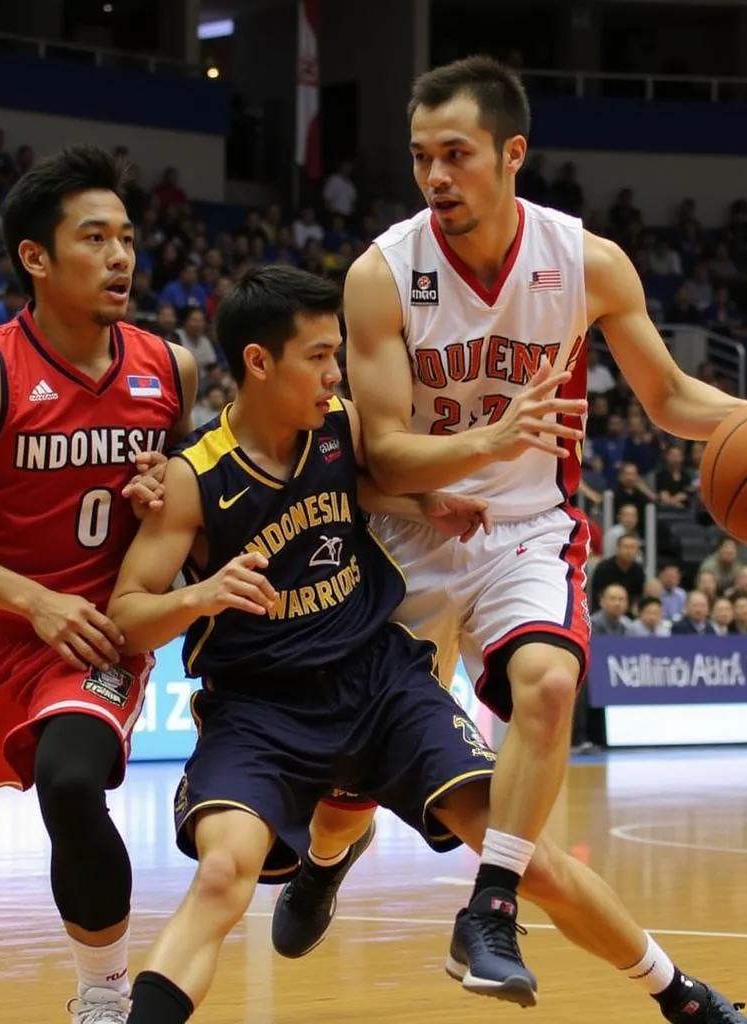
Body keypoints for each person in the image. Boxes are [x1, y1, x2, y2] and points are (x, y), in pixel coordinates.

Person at [273, 55, 747, 1020]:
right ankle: (331, 852)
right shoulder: (381, 274)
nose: (437, 177)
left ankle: (490, 905)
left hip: (529, 528)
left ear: (512, 153)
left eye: (457, 155)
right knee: (341, 795)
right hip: (405, 539)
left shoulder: (586, 261)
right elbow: (383, 458)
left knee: (549, 682)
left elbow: (666, 398)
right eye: (422, 158)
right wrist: (488, 439)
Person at [104, 265, 518, 1021]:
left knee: (508, 832)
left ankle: (669, 987)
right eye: (320, 356)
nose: (336, 373)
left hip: (374, 680)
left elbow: (360, 486)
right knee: (225, 874)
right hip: (261, 708)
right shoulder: (193, 479)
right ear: (259, 362)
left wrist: (432, 502)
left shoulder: (341, 425)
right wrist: (202, 594)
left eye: (339, 354)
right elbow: (124, 614)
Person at [0, 146, 198, 1024]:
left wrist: (163, 494)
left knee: (70, 777)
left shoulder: (170, 367)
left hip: (100, 633)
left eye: (127, 237)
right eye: (93, 238)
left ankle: (103, 992)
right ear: (35, 257)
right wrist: (34, 601)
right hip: (0, 627)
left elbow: (189, 501)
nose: (121, 256)